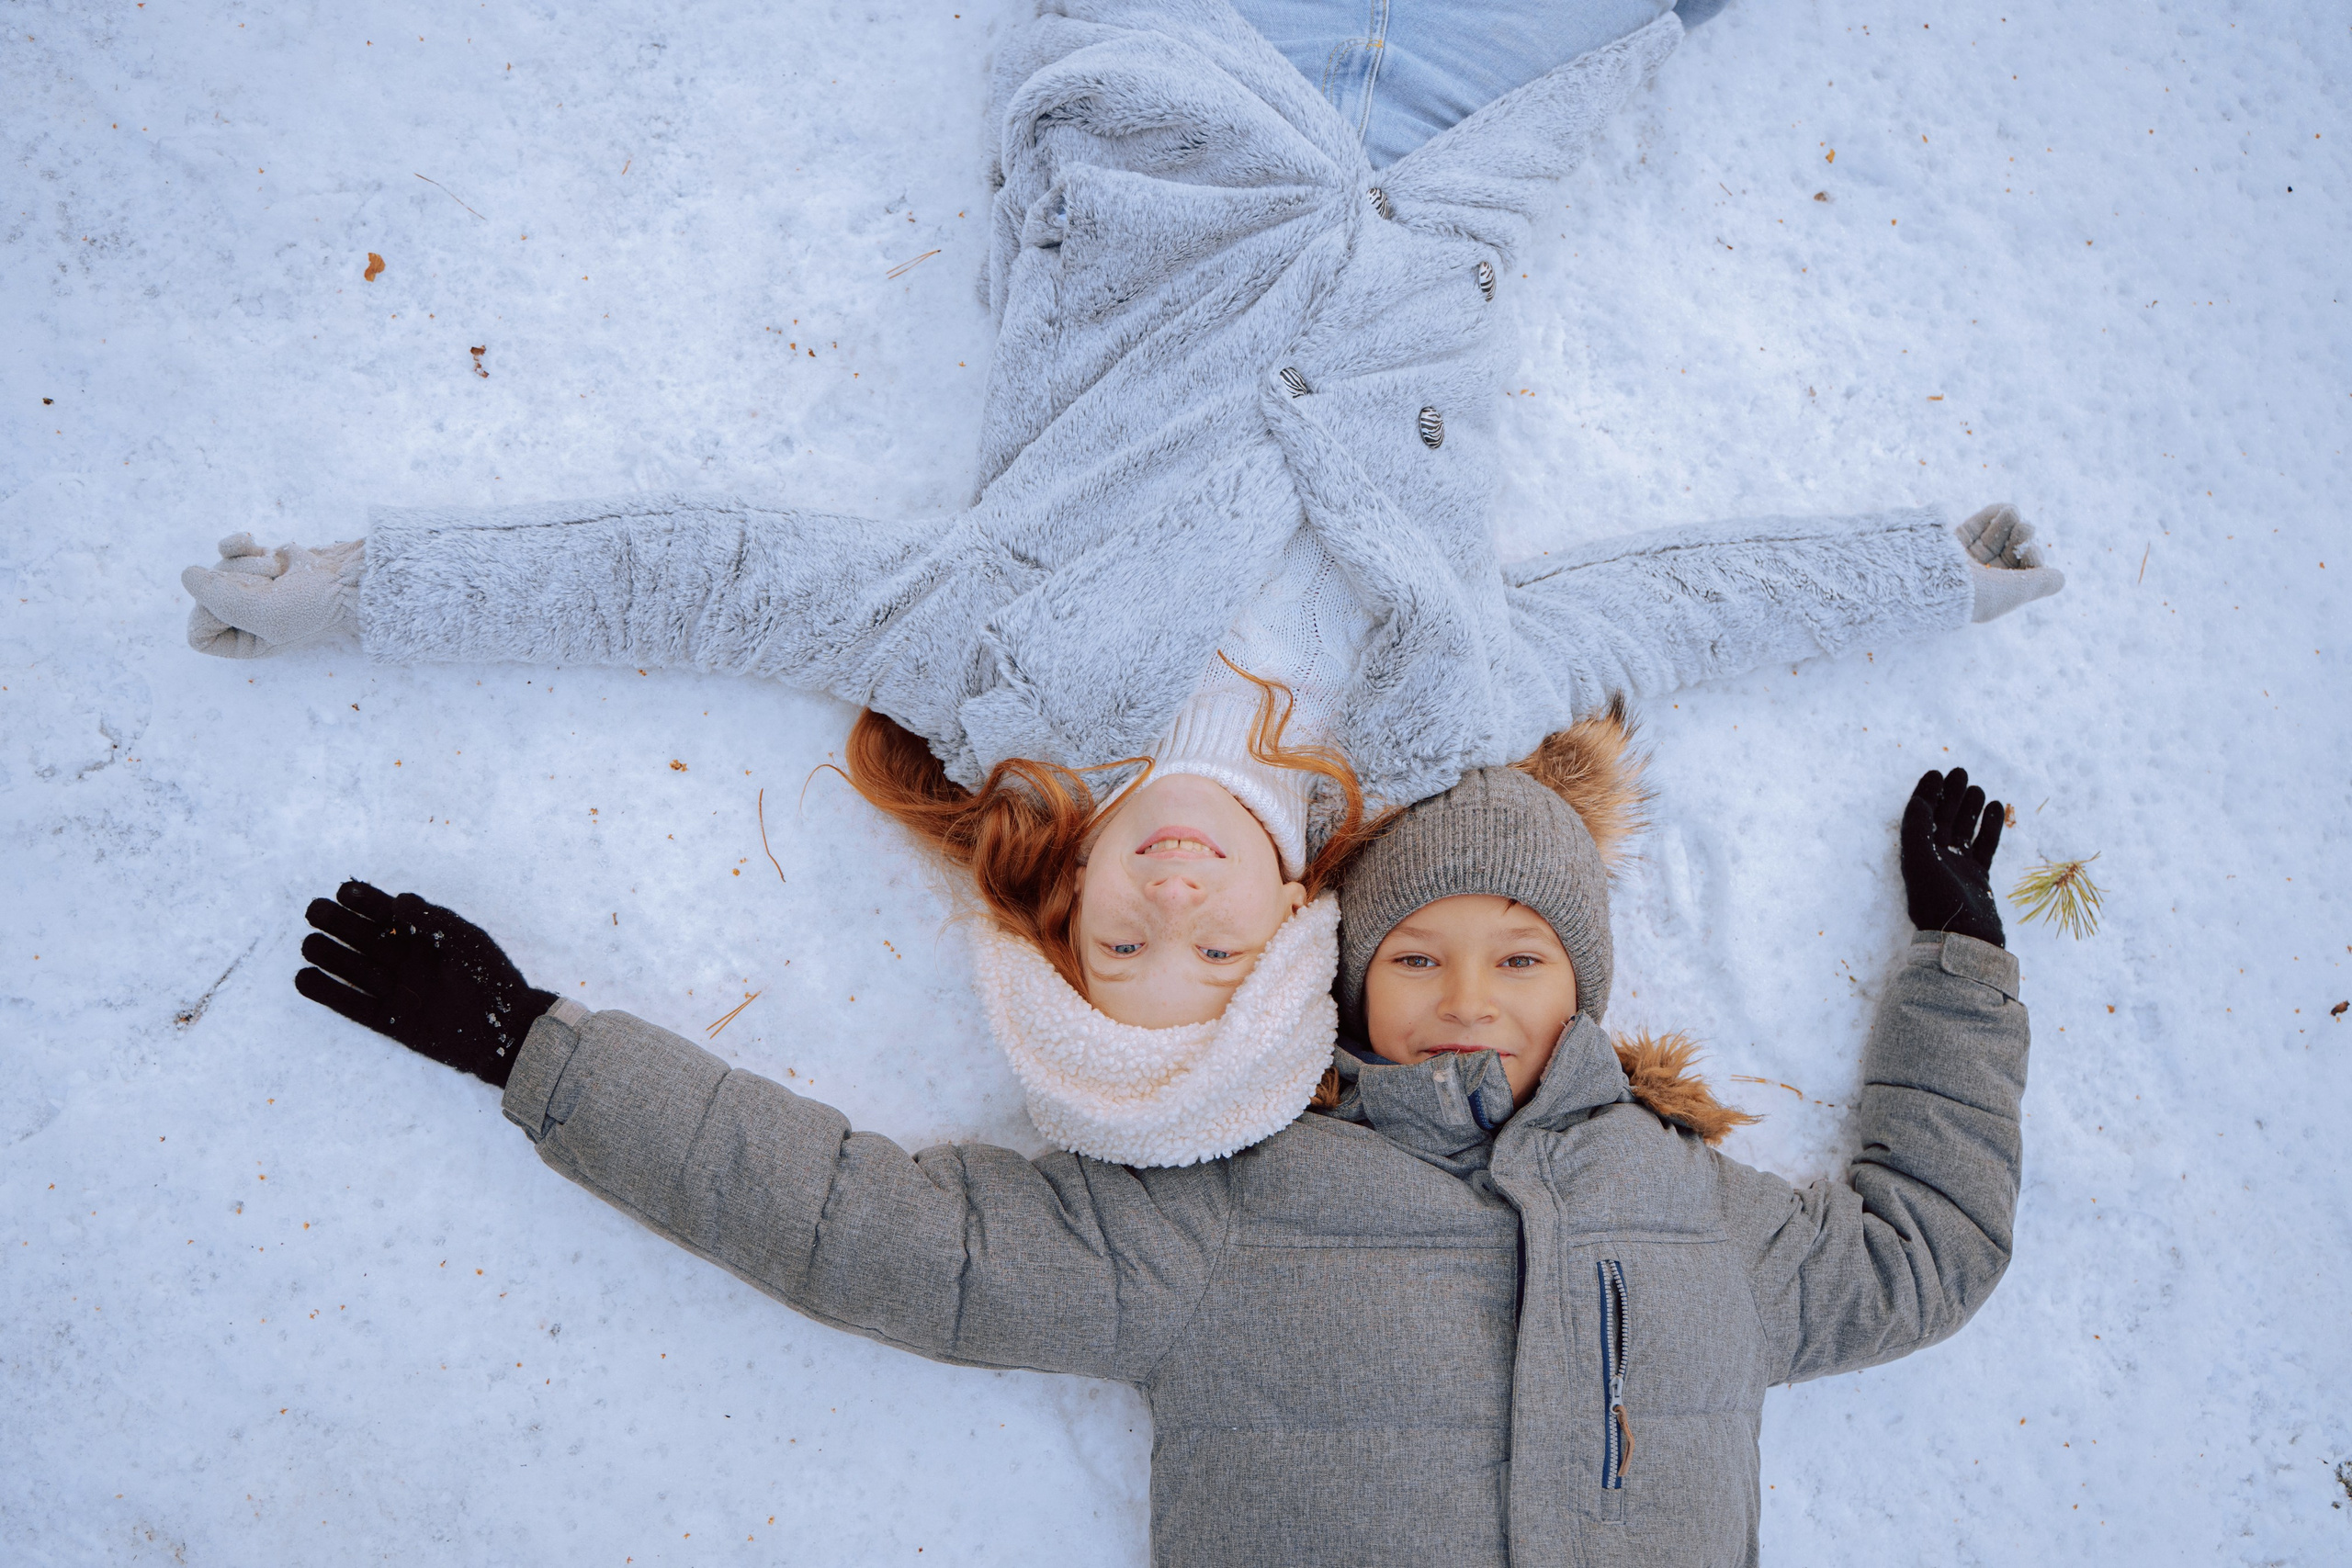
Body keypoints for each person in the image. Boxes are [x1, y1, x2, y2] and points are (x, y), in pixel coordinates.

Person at [187, 0, 2059, 1160]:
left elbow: (698, 579)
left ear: (1058, 901)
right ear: (1295, 939)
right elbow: (1663, 613)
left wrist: (356, 588)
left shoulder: (998, 682)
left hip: (1195, 87)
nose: (1174, 900)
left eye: (1115, 944)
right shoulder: (1426, 731)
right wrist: (1927, 571)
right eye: (1214, 957)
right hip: (1484, 123)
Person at [291, 757, 2028, 1567]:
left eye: (1520, 960)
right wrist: (543, 1052)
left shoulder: (1697, 1218)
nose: (1462, 1005)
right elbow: (882, 1235)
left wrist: (1960, 968)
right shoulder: (1241, 1205)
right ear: (1347, 986)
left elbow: (1924, 1250)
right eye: (1415, 958)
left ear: (1587, 986)